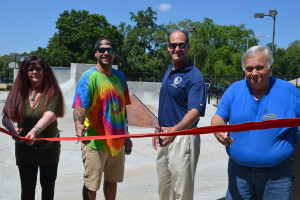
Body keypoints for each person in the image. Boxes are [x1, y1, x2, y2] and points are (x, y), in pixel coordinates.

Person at [212, 46, 300, 200]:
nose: (254, 73)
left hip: (277, 175)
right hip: (238, 173)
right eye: (249, 68)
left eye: (260, 67)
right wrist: (218, 130)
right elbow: (218, 117)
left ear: (270, 67)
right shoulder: (234, 90)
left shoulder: (290, 93)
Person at [72, 37, 132, 200]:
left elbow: (123, 109)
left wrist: (127, 134)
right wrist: (78, 124)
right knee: (92, 184)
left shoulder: (120, 77)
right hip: (94, 141)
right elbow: (79, 105)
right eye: (102, 50)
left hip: (117, 140)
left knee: (112, 180)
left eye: (110, 50)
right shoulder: (89, 77)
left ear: (114, 53)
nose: (106, 53)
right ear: (96, 53)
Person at [152, 30, 207, 200]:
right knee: (164, 190)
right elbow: (169, 104)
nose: (177, 48)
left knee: (182, 193)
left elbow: (195, 112)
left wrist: (174, 131)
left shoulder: (194, 76)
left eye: (181, 45)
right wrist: (159, 127)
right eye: (173, 45)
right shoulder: (169, 71)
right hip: (165, 136)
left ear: (188, 47)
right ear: (168, 47)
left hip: (183, 138)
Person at [2, 55, 65, 200]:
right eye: (30, 69)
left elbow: (50, 114)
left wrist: (35, 131)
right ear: (24, 72)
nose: (34, 72)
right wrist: (12, 129)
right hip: (25, 149)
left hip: (49, 149)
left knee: (48, 188)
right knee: (27, 189)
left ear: (45, 71)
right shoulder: (17, 91)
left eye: (38, 68)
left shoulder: (52, 91)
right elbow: (6, 116)